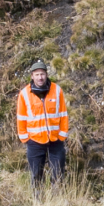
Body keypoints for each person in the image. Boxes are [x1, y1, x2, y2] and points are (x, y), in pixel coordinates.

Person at [14, 63, 68, 197]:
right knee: (36, 173)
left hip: (56, 140)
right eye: (37, 75)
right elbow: (21, 117)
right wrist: (24, 138)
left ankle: (57, 200)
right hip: (35, 141)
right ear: (32, 76)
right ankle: (38, 201)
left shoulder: (56, 90)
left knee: (58, 172)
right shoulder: (24, 94)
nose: (40, 77)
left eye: (42, 74)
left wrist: (62, 134)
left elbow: (63, 113)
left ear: (46, 74)